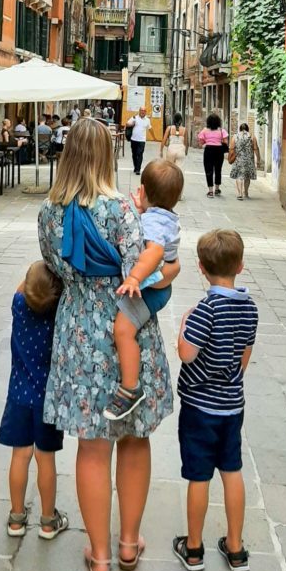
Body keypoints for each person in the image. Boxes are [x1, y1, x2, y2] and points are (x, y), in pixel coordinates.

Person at [38, 119, 173, 571]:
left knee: (92, 447)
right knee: (134, 439)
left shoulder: (48, 213)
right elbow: (144, 270)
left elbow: (54, 267)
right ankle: (129, 543)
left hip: (77, 332)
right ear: (106, 157)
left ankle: (98, 557)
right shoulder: (121, 210)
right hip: (126, 328)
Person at [172, 229, 258, 571]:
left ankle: (193, 548)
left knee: (199, 476)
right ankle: (235, 548)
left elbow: (186, 354)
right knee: (232, 471)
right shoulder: (249, 307)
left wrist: (182, 323)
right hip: (231, 406)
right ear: (240, 266)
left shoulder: (204, 311)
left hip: (199, 409)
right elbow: (243, 359)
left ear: (201, 268)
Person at [104, 159, 183, 420]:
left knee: (123, 330)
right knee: (124, 329)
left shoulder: (154, 223)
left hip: (149, 289)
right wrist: (142, 212)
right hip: (156, 286)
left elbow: (155, 250)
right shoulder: (162, 216)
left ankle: (130, 387)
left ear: (145, 191)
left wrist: (135, 277)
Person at [0, 261, 70, 542]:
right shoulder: (57, 316)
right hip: (46, 400)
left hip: (18, 395)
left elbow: (23, 289)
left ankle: (16, 519)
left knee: (20, 455)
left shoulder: (18, 305)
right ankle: (48, 521)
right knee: (45, 458)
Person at [228, 123, 262, 200]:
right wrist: (258, 160)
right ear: (248, 129)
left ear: (239, 129)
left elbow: (231, 148)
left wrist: (230, 157)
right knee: (247, 177)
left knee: (239, 176)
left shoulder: (235, 136)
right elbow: (256, 148)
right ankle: (245, 192)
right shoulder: (252, 136)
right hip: (249, 160)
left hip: (238, 160)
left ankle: (239, 194)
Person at [198, 114, 228, 197]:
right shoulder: (222, 130)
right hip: (219, 151)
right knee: (218, 170)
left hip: (209, 150)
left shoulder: (204, 131)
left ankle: (210, 191)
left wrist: (208, 141)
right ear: (218, 122)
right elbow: (225, 142)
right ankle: (217, 189)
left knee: (208, 170)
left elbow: (201, 143)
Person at [126, 107, 151, 176]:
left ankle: (138, 169)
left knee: (140, 154)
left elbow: (150, 128)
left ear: (145, 112)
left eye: (144, 111)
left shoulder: (147, 120)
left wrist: (155, 137)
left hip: (142, 140)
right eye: (141, 110)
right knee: (134, 154)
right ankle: (135, 166)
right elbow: (127, 124)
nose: (143, 112)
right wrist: (132, 124)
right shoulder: (134, 117)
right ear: (139, 111)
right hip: (134, 139)